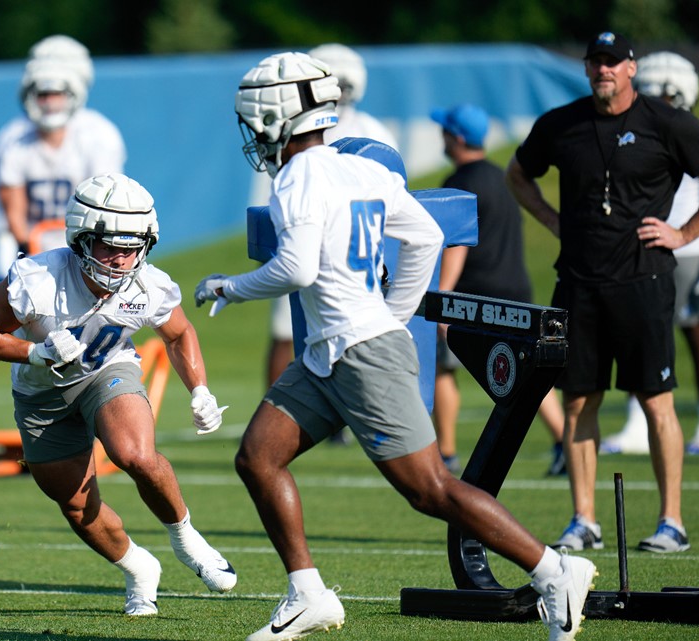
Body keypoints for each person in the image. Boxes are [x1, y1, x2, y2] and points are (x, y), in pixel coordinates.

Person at [196, 51, 595, 641]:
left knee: (430, 490)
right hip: (331, 352)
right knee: (258, 455)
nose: (254, 129)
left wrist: (231, 285)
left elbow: (297, 268)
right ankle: (308, 594)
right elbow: (427, 235)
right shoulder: (365, 169)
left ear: (281, 113)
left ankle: (555, 569)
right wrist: (396, 311)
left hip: (359, 353)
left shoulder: (299, 174)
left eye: (257, 116)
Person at [0, 173, 236, 615]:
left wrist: (200, 390)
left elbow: (179, 333)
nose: (122, 259)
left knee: (135, 454)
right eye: (110, 245)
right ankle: (139, 569)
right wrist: (35, 352)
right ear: (81, 238)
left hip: (105, 371)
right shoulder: (38, 278)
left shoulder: (149, 285)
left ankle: (186, 539)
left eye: (132, 247)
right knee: (76, 506)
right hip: (41, 394)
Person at [505, 32, 699, 555]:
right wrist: (551, 220)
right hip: (577, 283)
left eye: (613, 62)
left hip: (644, 279)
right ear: (587, 70)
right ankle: (583, 520)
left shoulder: (666, 121)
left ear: (631, 68)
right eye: (595, 62)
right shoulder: (562, 123)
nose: (603, 69)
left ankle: (671, 521)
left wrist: (685, 234)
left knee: (656, 399)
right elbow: (518, 174)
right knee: (579, 398)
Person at [599, 51, 699, 456]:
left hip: (687, 249)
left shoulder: (697, 132)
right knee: (638, 337)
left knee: (694, 334)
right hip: (646, 248)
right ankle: (638, 423)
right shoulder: (640, 127)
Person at [428, 103, 566, 476]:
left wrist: (441, 299)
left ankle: (447, 453)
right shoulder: (502, 177)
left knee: (443, 369)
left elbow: (456, 245)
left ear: (456, 138)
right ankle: (564, 442)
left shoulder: (459, 183)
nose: (440, 137)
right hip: (514, 288)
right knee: (529, 372)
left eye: (444, 131)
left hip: (475, 294)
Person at [262, 44, 399, 390]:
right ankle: (282, 400)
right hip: (320, 237)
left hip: (345, 242)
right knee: (288, 329)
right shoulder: (370, 129)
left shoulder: (369, 130)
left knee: (351, 325)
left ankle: (346, 404)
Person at [0, 35, 126, 280]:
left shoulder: (99, 135)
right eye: (44, 94)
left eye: (57, 93)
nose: (50, 102)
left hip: (84, 241)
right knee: (5, 274)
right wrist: (28, 249)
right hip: (29, 243)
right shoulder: (14, 138)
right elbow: (11, 206)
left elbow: (107, 204)